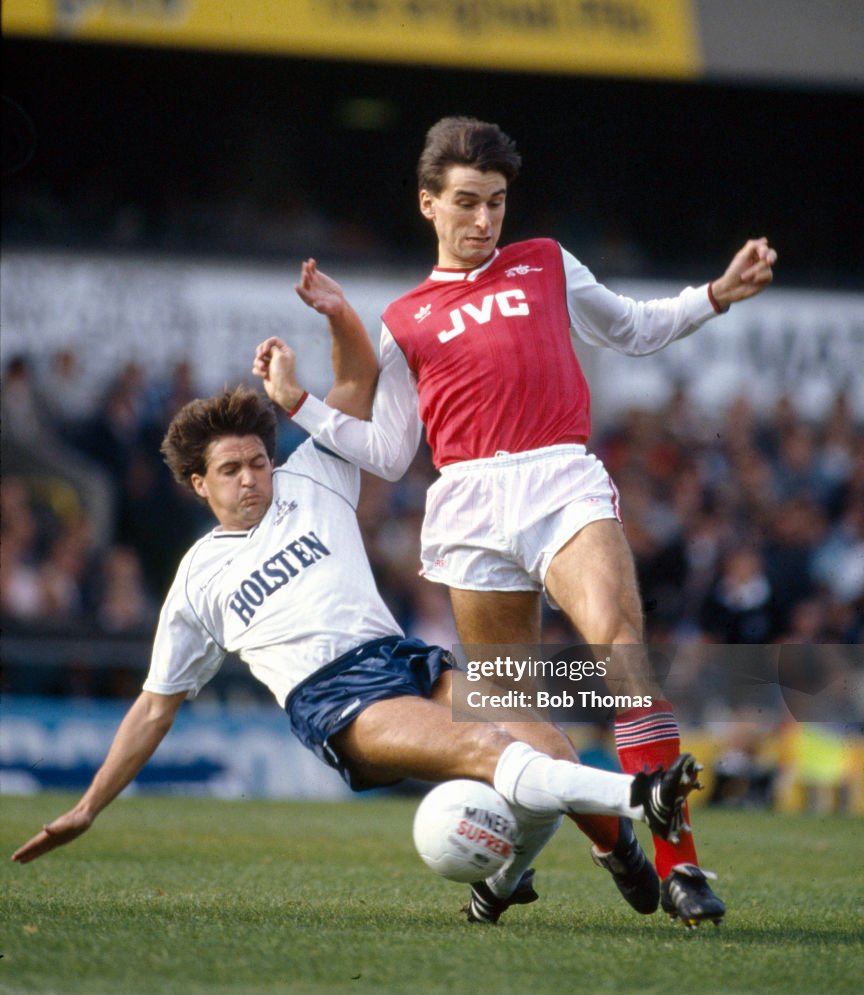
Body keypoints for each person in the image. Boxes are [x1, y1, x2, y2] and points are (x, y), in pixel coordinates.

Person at [11, 344, 705, 928]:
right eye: (231, 470)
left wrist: (337, 312)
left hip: (400, 656)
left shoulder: (309, 477)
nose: (252, 479)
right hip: (335, 700)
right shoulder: (197, 579)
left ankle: (525, 880)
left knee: (544, 741)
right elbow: (155, 706)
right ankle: (640, 797)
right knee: (485, 747)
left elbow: (355, 382)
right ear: (199, 484)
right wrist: (87, 807)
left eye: (257, 462)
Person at [285, 116, 778, 927]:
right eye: (469, 203)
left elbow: (632, 326)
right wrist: (298, 404)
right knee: (517, 715)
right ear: (428, 205)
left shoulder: (545, 262)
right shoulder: (405, 319)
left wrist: (716, 295)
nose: (485, 221)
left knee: (620, 646)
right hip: (467, 504)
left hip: (558, 478)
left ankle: (681, 865)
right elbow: (388, 448)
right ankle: (595, 845)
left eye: (498, 202)